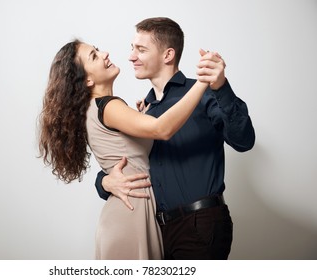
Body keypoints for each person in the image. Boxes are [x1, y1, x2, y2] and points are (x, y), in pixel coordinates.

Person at [95, 17, 255, 259]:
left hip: (200, 224)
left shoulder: (202, 93)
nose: (131, 57)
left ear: (168, 55)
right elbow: (126, 160)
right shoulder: (144, 111)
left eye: (141, 49)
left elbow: (244, 141)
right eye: (132, 48)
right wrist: (104, 182)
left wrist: (220, 86)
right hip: (156, 230)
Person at [38, 38, 212, 259]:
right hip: (130, 213)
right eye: (94, 56)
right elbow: (162, 129)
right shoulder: (108, 106)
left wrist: (141, 116)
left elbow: (125, 152)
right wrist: (202, 83)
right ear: (87, 80)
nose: (105, 54)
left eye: (98, 50)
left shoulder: (98, 108)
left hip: (134, 209)